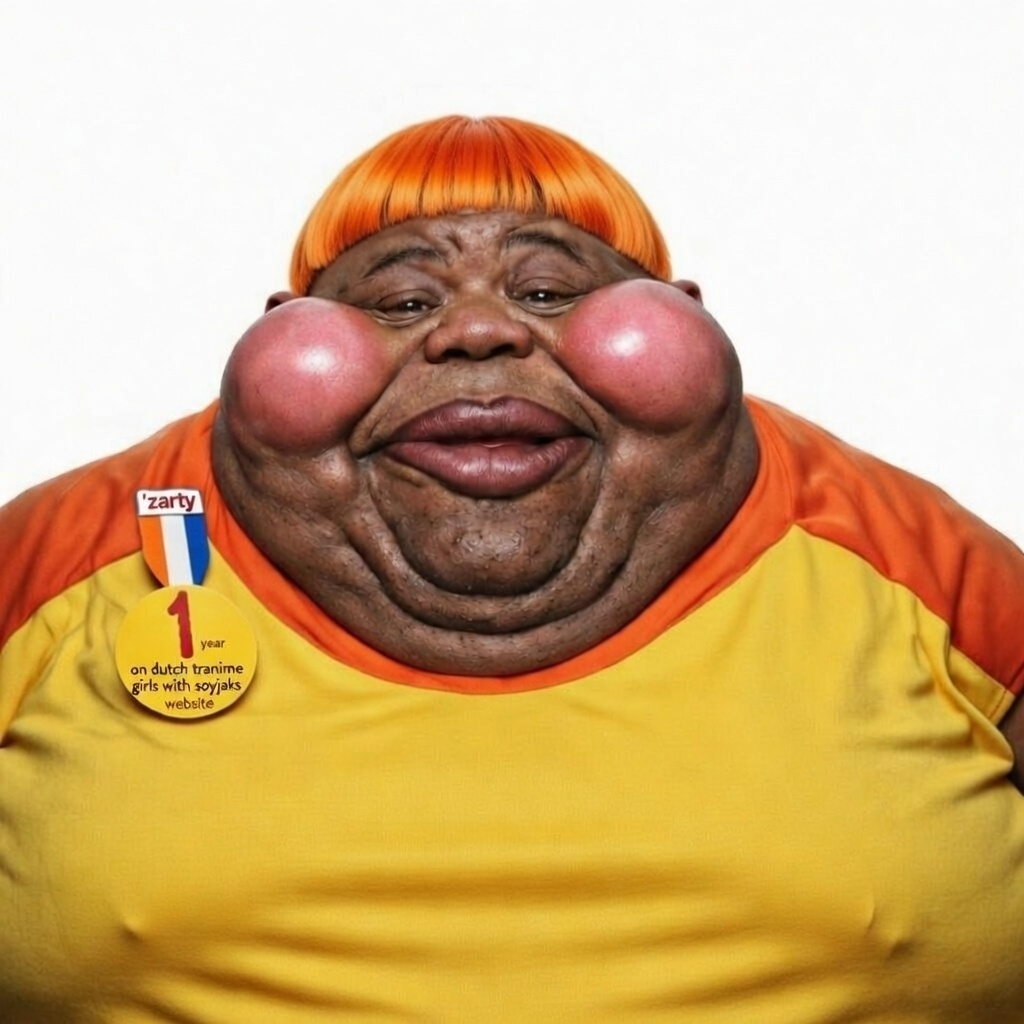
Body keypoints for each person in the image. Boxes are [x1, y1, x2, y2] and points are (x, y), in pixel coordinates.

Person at [1, 115, 1023, 1022]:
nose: (479, 331)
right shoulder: (58, 559)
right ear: (282, 326)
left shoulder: (915, 562)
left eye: (546, 289)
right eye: (399, 300)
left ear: (684, 311)